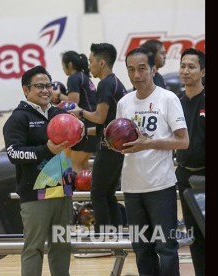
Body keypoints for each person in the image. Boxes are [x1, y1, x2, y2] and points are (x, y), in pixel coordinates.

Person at [3, 65, 83, 276]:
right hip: (35, 195)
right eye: (39, 86)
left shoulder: (58, 113)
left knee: (61, 247)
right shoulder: (19, 118)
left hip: (62, 193)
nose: (46, 90)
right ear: (26, 90)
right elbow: (14, 154)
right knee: (34, 248)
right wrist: (45, 150)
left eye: (48, 85)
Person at [116, 47, 189, 276]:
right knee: (142, 248)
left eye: (142, 69)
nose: (136, 75)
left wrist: (148, 144)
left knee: (166, 247)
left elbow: (183, 141)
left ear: (154, 69)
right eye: (131, 70)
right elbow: (119, 140)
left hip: (160, 186)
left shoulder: (168, 99)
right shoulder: (124, 103)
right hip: (131, 187)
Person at [68, 43, 127, 235]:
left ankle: (103, 238)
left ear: (101, 63)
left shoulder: (106, 83)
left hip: (110, 149)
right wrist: (83, 131)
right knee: (107, 193)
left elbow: (100, 117)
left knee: (97, 193)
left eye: (91, 61)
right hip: (116, 147)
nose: (89, 65)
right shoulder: (115, 82)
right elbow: (106, 123)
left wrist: (79, 112)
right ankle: (115, 236)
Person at [174, 47, 205, 276]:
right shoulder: (175, 102)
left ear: (203, 71)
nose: (185, 71)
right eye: (183, 66)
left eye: (191, 66)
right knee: (194, 235)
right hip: (184, 178)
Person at [52, 50, 99, 173]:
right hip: (94, 126)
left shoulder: (73, 78)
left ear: (70, 64)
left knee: (74, 165)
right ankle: (88, 191)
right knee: (83, 166)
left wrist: (58, 95)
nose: (62, 68)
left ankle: (79, 192)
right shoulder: (84, 77)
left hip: (86, 127)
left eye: (63, 65)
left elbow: (73, 103)